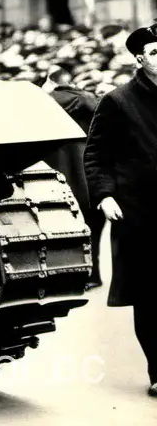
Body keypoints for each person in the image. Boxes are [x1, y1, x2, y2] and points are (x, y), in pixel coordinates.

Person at [84, 23, 157, 397]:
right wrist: (105, 195)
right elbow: (96, 154)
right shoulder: (117, 100)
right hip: (139, 213)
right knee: (150, 296)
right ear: (140, 59)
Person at [42, 68, 104, 287]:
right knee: (93, 227)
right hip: (89, 176)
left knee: (59, 230)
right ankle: (93, 274)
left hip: (57, 178)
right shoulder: (90, 101)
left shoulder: (43, 102)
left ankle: (65, 275)